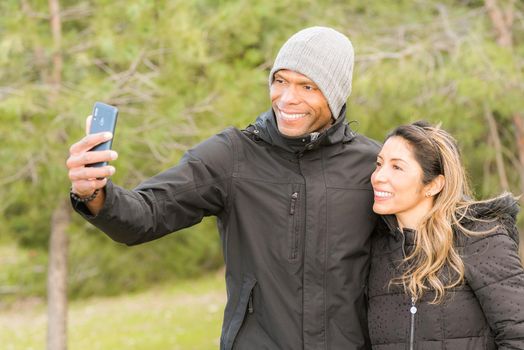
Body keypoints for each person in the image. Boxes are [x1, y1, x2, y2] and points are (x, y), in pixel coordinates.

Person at [67, 26, 380, 349]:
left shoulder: (373, 167)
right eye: (280, 80)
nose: (287, 98)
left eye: (308, 86)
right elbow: (146, 215)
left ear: (335, 93)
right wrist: (93, 191)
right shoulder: (233, 157)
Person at [367, 121, 524, 349]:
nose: (378, 176)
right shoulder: (377, 248)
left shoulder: (481, 240)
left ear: (433, 185)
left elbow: (518, 335)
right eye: (379, 164)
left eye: (396, 167)